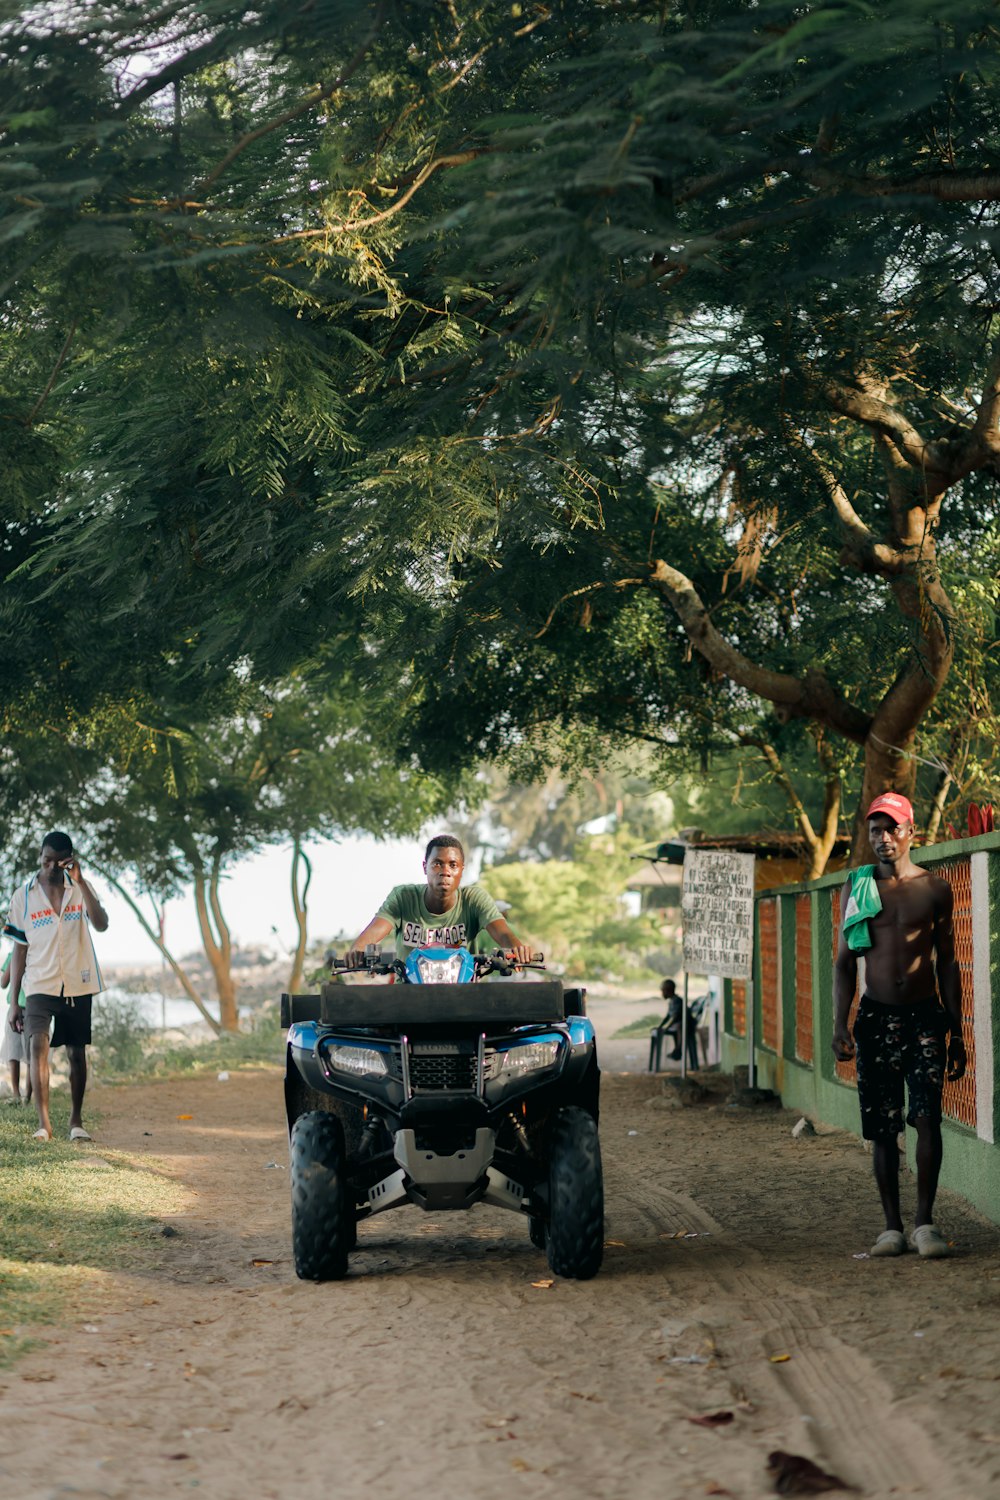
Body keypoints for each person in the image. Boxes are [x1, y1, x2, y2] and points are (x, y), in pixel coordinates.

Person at [832, 792, 965, 1259]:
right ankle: (892, 1227)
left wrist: (958, 1029)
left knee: (928, 1118)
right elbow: (845, 963)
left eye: (892, 828)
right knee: (883, 1126)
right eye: (875, 830)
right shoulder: (858, 888)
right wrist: (840, 1024)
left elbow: (948, 961)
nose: (883, 838)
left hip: (925, 1018)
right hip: (875, 1017)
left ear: (912, 833)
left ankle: (925, 1223)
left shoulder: (935, 888)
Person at [4, 832, 109, 1142]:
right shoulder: (23, 896)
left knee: (77, 1053)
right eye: (45, 860)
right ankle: (44, 1125)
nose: (50, 867)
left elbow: (101, 923)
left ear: (68, 860)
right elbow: (18, 949)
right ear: (40, 856)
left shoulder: (79, 889)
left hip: (78, 981)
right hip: (38, 983)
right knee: (38, 1048)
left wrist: (82, 880)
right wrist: (13, 1002)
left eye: (56, 862)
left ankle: (76, 1122)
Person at [348, 835, 533, 966]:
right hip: (407, 996)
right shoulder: (403, 897)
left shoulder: (474, 899)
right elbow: (375, 929)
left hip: (463, 995)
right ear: (424, 867)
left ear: (462, 870)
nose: (445, 871)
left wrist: (517, 949)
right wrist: (358, 948)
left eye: (453, 865)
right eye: (437, 864)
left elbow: (503, 933)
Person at [1, 950, 31, 1105]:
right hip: (15, 1008)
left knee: (31, 1054)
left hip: (32, 1009)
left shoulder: (35, 954)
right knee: (14, 1051)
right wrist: (14, 959)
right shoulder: (12, 955)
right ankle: (17, 1094)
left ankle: (27, 1095)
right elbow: (3, 982)